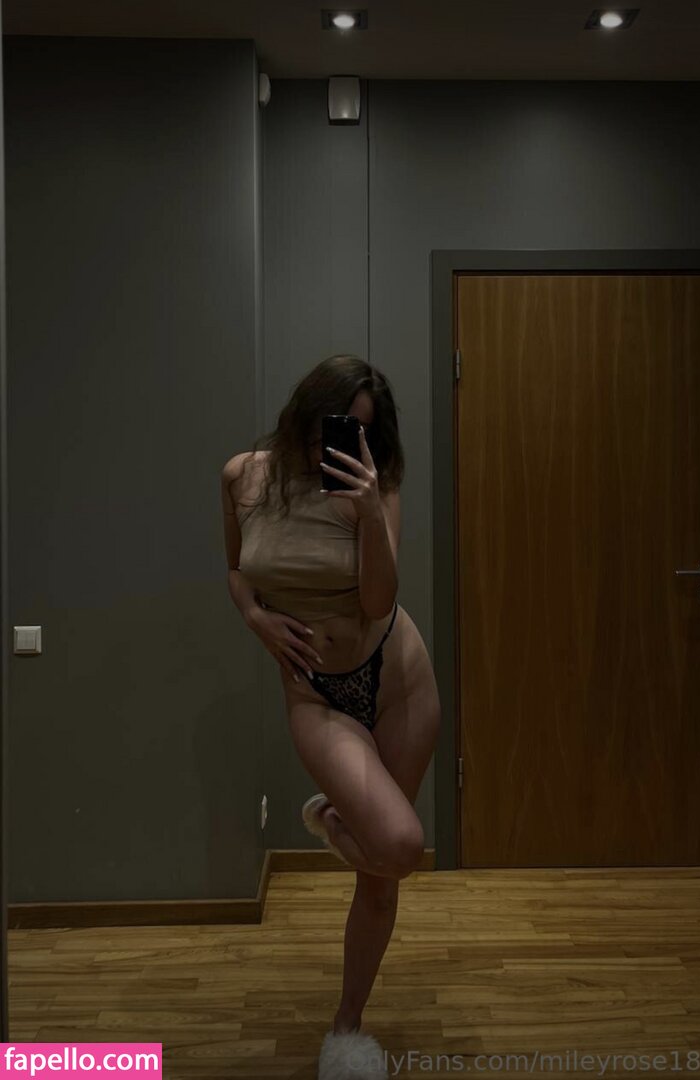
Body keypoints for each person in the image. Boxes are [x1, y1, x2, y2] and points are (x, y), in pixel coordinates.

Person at [221, 354, 441, 1077]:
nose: (337, 442)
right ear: (303, 414)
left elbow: (377, 602)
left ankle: (347, 1027)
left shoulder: (375, 487)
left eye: (359, 431)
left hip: (398, 680)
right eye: (331, 425)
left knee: (381, 877)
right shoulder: (243, 477)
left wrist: (371, 509)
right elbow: (237, 569)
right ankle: (337, 817)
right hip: (316, 693)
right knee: (399, 846)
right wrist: (255, 617)